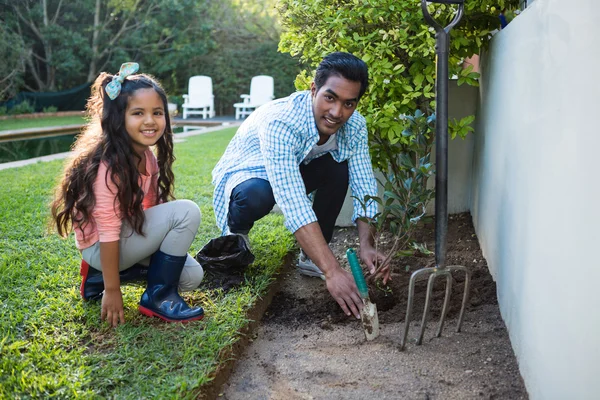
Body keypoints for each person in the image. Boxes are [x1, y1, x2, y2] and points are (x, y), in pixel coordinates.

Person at [212, 52, 390, 319]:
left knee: (338, 168)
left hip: (296, 168)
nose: (336, 112)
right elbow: (294, 201)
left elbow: (364, 184)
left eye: (348, 103)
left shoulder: (355, 125)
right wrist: (332, 270)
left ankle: (311, 256)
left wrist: (368, 244)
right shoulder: (281, 121)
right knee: (256, 195)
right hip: (249, 172)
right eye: (330, 98)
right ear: (314, 89)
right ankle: (237, 234)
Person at [51, 62, 204, 327]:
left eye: (157, 112)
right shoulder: (110, 168)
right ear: (119, 118)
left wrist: (166, 244)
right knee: (187, 211)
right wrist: (113, 291)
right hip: (101, 245)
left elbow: (152, 210)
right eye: (138, 113)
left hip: (125, 236)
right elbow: (109, 230)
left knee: (192, 276)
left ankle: (98, 277)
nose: (150, 121)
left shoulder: (147, 158)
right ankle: (157, 298)